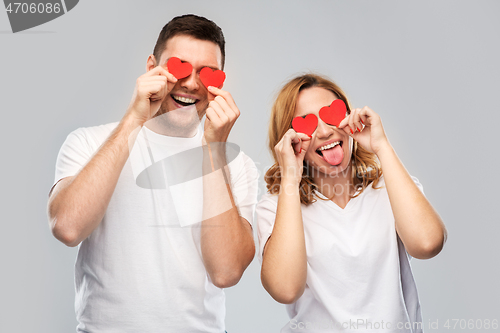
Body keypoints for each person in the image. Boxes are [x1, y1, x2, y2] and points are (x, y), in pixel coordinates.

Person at [47, 14, 258, 333]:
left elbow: (226, 272)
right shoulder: (88, 142)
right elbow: (67, 227)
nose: (190, 84)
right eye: (179, 67)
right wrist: (134, 117)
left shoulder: (236, 164)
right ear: (151, 68)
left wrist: (213, 149)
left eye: (207, 74)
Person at [256, 74, 447, 332]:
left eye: (331, 115)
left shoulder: (391, 188)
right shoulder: (276, 208)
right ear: (289, 138)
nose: (324, 132)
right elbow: (285, 288)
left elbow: (428, 244)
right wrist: (290, 176)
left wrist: (381, 146)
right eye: (308, 124)